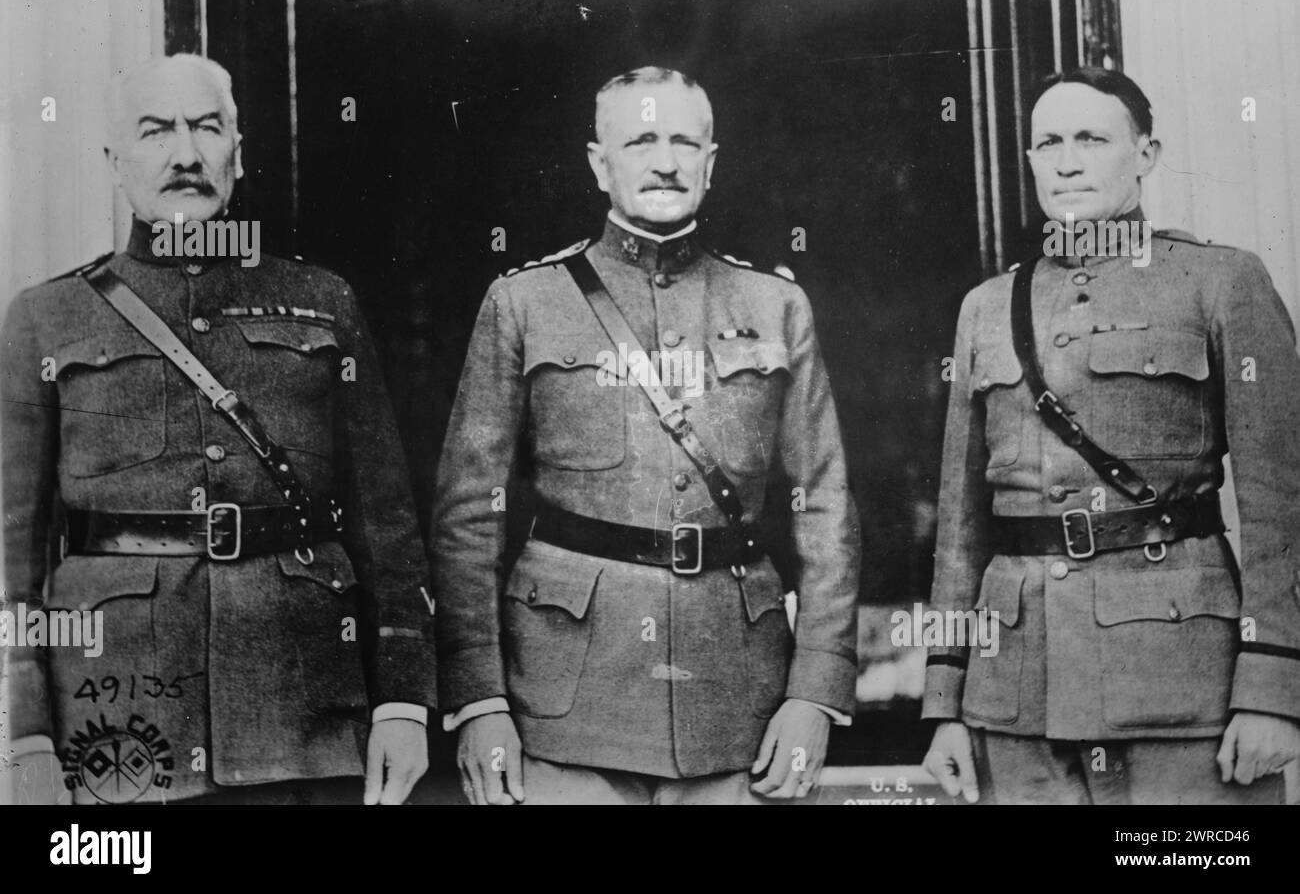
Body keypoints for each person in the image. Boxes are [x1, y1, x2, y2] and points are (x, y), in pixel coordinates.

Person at [1, 54, 435, 804]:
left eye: (207, 128)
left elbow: (386, 524)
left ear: (240, 152)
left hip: (302, 723)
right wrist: (28, 730)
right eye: (155, 131)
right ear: (114, 160)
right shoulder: (46, 317)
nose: (185, 154)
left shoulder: (322, 301)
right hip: (117, 719)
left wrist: (403, 698)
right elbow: (12, 550)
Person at [431, 66, 859, 804]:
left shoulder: (776, 304)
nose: (665, 161)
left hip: (740, 707)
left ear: (711, 162)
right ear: (600, 163)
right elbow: (470, 514)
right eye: (640, 140)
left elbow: (826, 506)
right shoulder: (524, 302)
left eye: (683, 142)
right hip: (565, 705)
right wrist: (479, 699)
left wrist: (815, 691)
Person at [922, 66, 1300, 804]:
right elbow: (960, 529)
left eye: (1091, 139)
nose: (1066, 160)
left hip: (1181, 689)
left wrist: (1275, 688)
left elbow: (1281, 508)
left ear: (1146, 154)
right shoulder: (987, 307)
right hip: (1018, 698)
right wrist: (945, 700)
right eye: (1047, 143)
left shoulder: (1220, 283)